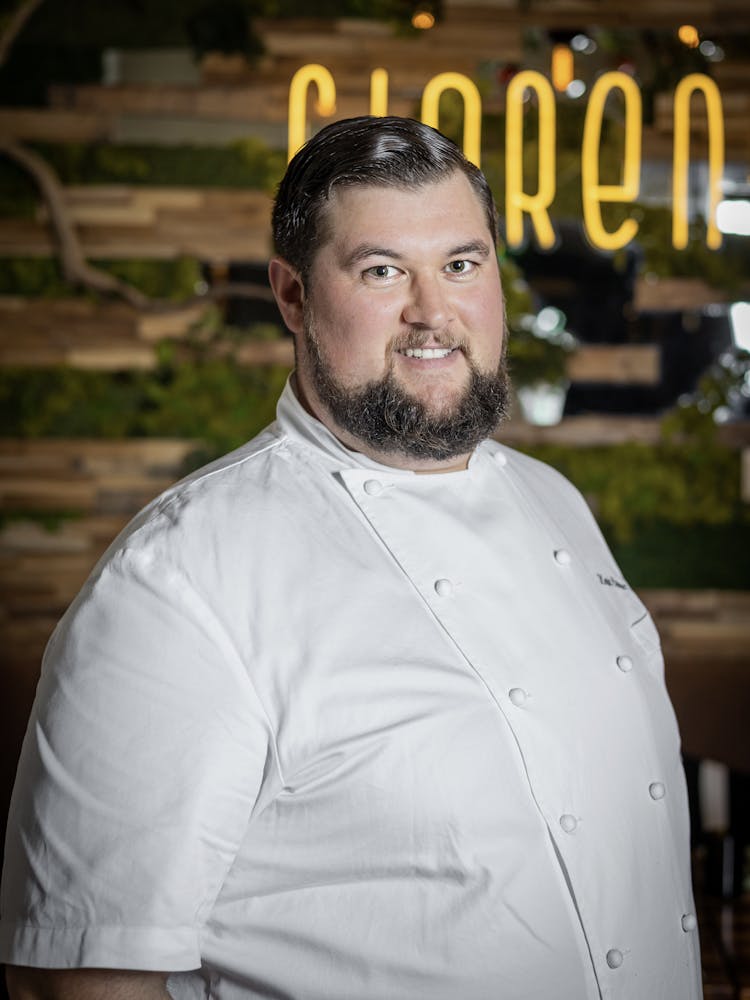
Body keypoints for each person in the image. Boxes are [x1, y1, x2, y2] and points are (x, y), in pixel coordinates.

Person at [1, 116, 702, 1000]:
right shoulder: (179, 581)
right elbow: (82, 983)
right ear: (292, 297)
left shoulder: (552, 499)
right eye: (382, 272)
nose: (434, 313)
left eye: (461, 263)